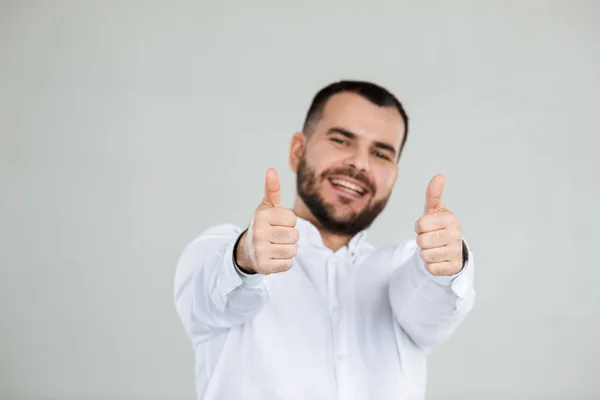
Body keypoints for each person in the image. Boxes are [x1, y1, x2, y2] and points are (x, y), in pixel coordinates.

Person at [173, 80, 476, 400]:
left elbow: (432, 305)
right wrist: (245, 257)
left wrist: (444, 265)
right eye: (342, 140)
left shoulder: (401, 269)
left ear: (393, 178)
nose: (360, 164)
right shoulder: (219, 250)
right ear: (297, 151)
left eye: (380, 153)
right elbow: (215, 291)